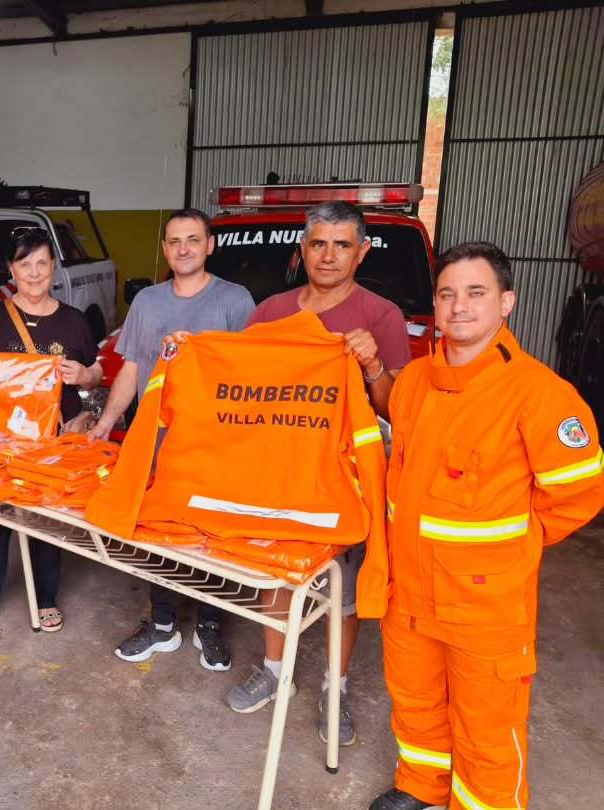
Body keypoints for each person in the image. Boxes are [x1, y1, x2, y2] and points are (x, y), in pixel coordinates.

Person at [368, 242, 603, 810]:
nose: (459, 307)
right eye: (447, 294)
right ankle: (421, 788)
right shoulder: (418, 381)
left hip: (486, 604)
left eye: (476, 293)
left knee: (488, 727)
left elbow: (579, 493)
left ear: (506, 303)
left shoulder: (541, 394)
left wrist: (511, 549)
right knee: (416, 701)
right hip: (411, 592)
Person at [225, 201, 411, 746]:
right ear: (302, 250)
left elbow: (396, 410)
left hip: (345, 479)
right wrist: (187, 353)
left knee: (342, 593)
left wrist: (374, 365)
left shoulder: (382, 316)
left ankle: (337, 685)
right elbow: (237, 385)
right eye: (318, 244)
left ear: (361, 251)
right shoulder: (270, 311)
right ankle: (276, 673)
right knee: (276, 571)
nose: (328, 256)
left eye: (341, 245)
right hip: (277, 471)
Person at [89, 208, 255, 671]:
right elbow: (133, 368)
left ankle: (209, 624)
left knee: (207, 533)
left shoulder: (234, 300)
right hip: (156, 439)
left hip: (214, 442)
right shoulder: (147, 303)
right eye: (174, 241)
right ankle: (162, 623)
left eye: (193, 239)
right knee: (156, 532)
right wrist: (106, 422)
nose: (183, 249)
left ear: (209, 245)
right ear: (164, 249)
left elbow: (250, 374)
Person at [0, 225, 103, 638]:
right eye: (25, 264)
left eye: (42, 263)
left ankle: (46, 598)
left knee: (46, 524)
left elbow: (96, 373)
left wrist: (85, 374)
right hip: (1, 443)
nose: (35, 273)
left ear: (53, 266)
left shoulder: (73, 322)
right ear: (11, 270)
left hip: (54, 445)